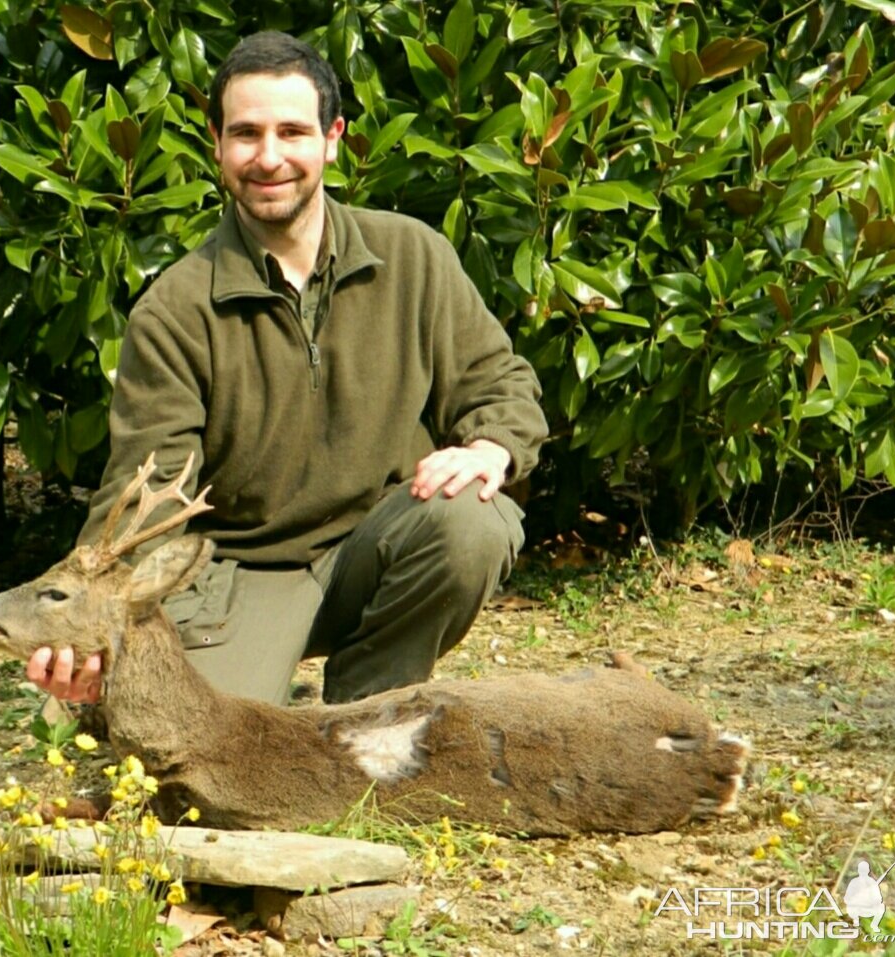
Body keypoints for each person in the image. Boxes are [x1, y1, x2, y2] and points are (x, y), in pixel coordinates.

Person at [27, 31, 547, 707]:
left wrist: (489, 446)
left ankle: (369, 709)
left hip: (374, 548)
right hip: (237, 577)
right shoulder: (174, 309)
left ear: (332, 138)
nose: (269, 158)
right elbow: (142, 491)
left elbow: (502, 384)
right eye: (246, 134)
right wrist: (92, 622)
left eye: (292, 132)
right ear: (215, 142)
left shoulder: (414, 256)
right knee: (191, 741)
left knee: (474, 520)